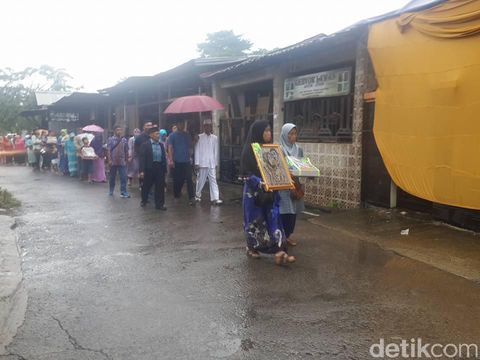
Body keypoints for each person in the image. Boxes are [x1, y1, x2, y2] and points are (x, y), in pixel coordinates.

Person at [240, 120, 295, 265]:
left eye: (270, 130)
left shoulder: (271, 150)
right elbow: (245, 174)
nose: (268, 133)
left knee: (274, 219)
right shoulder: (249, 151)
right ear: (258, 132)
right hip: (254, 195)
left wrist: (285, 179)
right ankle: (252, 247)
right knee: (255, 222)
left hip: (270, 193)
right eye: (265, 131)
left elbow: (277, 170)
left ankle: (279, 251)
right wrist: (259, 182)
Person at [278, 123, 305, 247]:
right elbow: (278, 167)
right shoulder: (279, 149)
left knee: (293, 212)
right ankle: (281, 236)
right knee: (284, 211)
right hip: (284, 186)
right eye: (291, 134)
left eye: (295, 133)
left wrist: (309, 173)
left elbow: (303, 164)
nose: (293, 136)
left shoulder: (298, 149)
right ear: (285, 135)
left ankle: (288, 235)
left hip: (295, 184)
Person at [194, 119, 222, 205]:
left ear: (211, 127)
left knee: (213, 180)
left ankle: (215, 198)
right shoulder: (199, 137)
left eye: (209, 126)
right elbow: (197, 150)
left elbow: (216, 151)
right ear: (203, 127)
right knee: (201, 180)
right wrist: (197, 163)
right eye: (206, 126)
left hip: (211, 163)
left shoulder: (214, 138)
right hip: (202, 163)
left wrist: (216, 163)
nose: (207, 127)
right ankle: (197, 195)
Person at [139, 128, 167, 210]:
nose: (158, 135)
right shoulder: (145, 145)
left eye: (159, 134)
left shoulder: (161, 145)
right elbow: (142, 158)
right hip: (149, 168)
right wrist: (141, 171)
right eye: (156, 134)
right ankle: (144, 200)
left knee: (160, 186)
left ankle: (159, 204)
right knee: (146, 186)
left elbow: (163, 157)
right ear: (151, 135)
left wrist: (164, 169)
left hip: (159, 167)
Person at [168, 121, 194, 205]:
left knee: (189, 179)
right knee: (178, 179)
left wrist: (195, 140)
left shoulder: (187, 135)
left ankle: (191, 197)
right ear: (177, 125)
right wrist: (171, 160)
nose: (182, 126)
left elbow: (190, 146)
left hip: (186, 160)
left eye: (183, 124)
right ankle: (176, 195)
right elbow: (170, 147)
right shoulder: (172, 136)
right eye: (180, 124)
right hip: (177, 160)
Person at [107, 125, 130, 198]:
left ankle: (123, 192)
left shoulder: (124, 140)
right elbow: (108, 150)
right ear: (114, 131)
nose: (119, 131)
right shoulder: (110, 139)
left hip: (122, 161)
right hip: (113, 161)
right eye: (117, 130)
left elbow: (126, 151)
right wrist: (109, 160)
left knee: (123, 177)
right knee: (112, 177)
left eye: (120, 130)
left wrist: (127, 160)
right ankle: (111, 190)